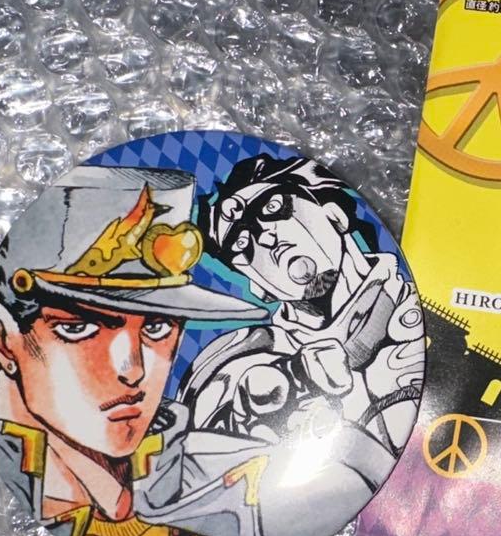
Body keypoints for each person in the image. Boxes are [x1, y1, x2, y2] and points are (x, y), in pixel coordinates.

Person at [0, 165, 370, 536]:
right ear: (4, 340)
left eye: (157, 328)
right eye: (79, 328)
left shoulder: (227, 475)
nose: (133, 369)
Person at [180, 155, 425, 482]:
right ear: (259, 286)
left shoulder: (427, 316)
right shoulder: (249, 356)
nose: (265, 238)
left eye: (273, 208)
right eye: (242, 243)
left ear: (335, 214)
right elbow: (205, 448)